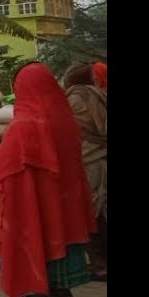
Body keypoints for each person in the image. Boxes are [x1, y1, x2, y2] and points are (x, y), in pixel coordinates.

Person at [0, 63, 97, 297]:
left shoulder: (23, 126)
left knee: (38, 296)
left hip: (31, 224)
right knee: (59, 292)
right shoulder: (65, 122)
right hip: (63, 224)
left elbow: (1, 168)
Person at [62, 64, 108, 280]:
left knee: (91, 213)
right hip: (102, 158)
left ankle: (101, 266)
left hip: (89, 161)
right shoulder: (98, 94)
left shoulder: (75, 99)